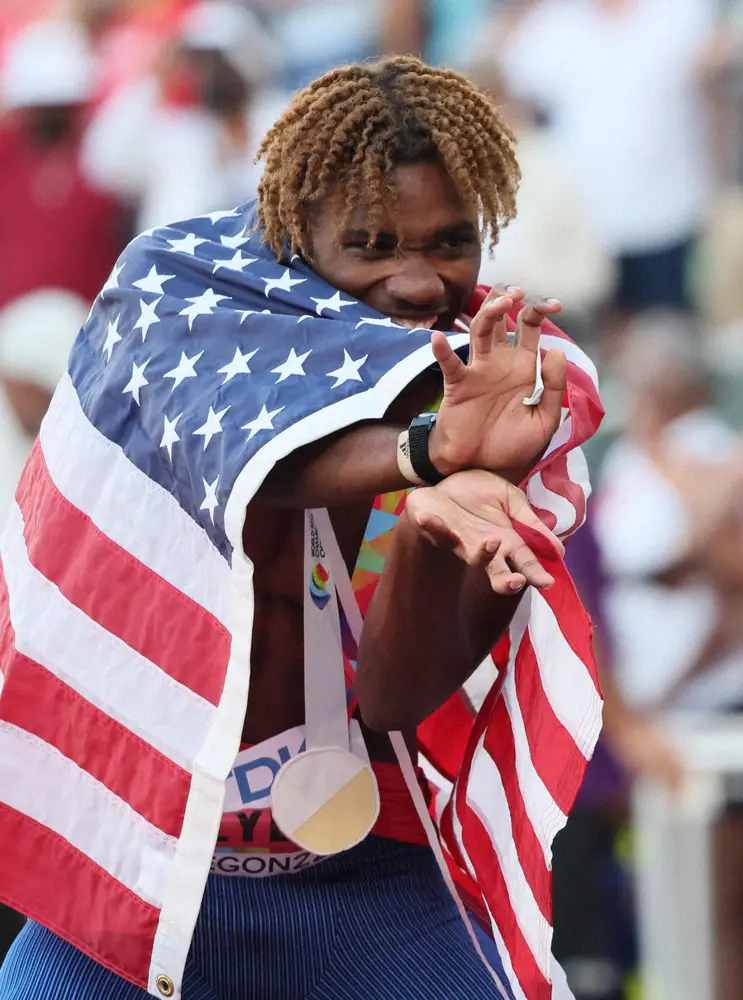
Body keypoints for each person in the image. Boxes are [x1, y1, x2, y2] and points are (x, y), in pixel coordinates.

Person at [0, 57, 603, 1000]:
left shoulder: (481, 388)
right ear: (291, 230)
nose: (417, 281)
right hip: (139, 879)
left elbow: (395, 700)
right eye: (371, 243)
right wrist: (423, 456)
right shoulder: (170, 300)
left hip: (363, 884)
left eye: (450, 242)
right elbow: (242, 452)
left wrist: (430, 534)